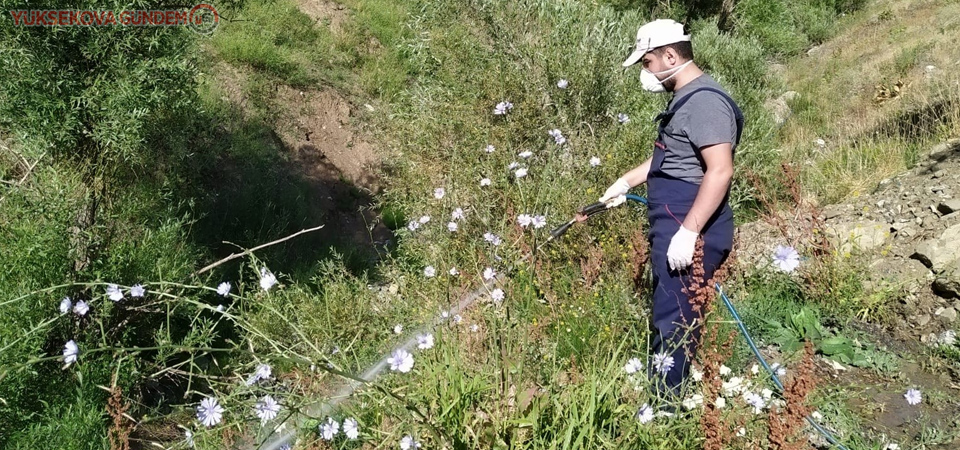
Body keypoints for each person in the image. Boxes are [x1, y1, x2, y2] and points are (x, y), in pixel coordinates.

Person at [598, 19, 743, 405]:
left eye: (647, 62)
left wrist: (690, 231)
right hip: (674, 216)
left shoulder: (706, 102)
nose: (646, 72)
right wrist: (626, 182)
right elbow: (670, 160)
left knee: (675, 317)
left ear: (670, 55)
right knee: (669, 309)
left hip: (689, 219)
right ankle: (662, 392)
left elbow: (720, 170)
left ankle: (664, 407)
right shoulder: (684, 99)